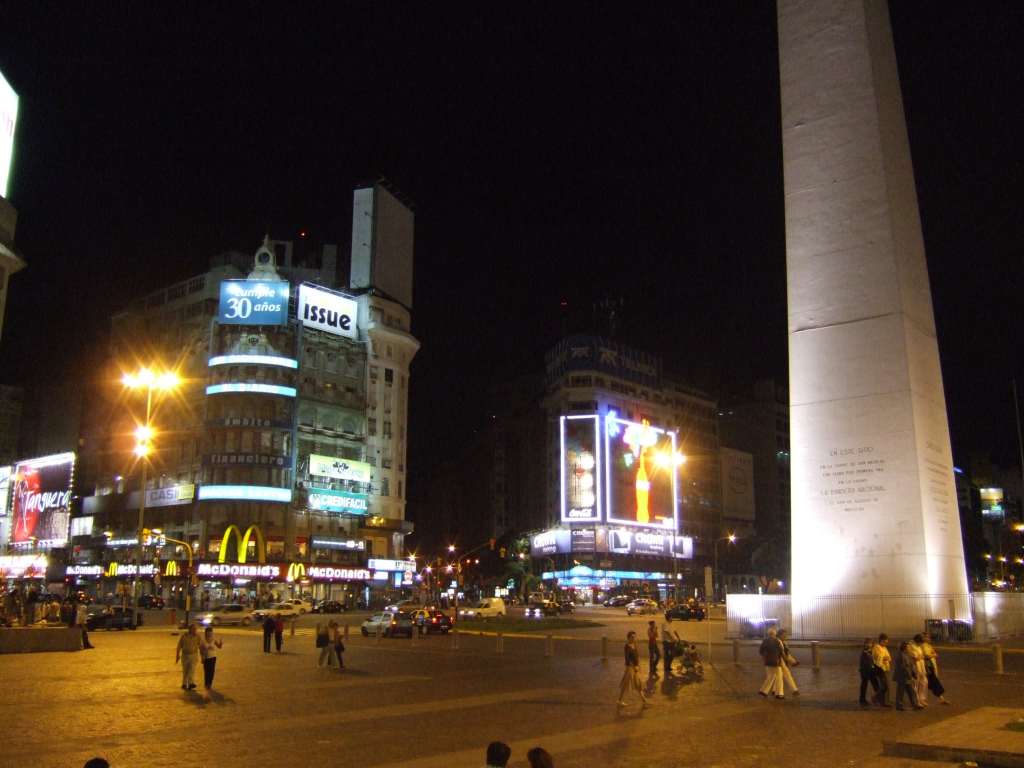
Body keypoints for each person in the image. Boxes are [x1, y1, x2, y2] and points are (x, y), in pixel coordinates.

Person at [617, 631, 650, 710]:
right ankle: (619, 701)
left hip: (635, 667)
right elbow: (627, 659)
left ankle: (644, 701)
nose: (634, 638)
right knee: (626, 684)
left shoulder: (634, 644)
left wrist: (638, 665)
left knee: (638, 684)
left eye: (634, 637)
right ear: (628, 638)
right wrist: (634, 666)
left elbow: (636, 656)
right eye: (632, 637)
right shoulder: (627, 646)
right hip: (630, 668)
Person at [919, 632, 949, 705]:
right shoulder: (923, 646)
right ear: (924, 638)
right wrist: (933, 655)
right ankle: (921, 700)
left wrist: (933, 654)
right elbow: (927, 655)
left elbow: (933, 653)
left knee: (932, 682)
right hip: (927, 667)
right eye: (927, 637)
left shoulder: (929, 646)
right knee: (926, 683)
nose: (929, 638)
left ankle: (941, 698)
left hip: (930, 666)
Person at [893, 641, 923, 710]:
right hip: (902, 676)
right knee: (901, 691)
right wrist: (910, 676)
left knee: (910, 690)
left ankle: (914, 704)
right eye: (908, 647)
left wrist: (913, 674)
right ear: (905, 648)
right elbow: (904, 667)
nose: (910, 649)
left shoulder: (907, 655)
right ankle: (899, 705)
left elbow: (911, 665)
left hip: (906, 676)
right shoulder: (901, 655)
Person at [758, 627, 784, 699]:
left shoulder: (765, 641)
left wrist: (764, 657)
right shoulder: (777, 641)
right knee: (779, 677)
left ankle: (763, 691)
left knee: (770, 676)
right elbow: (781, 651)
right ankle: (779, 693)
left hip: (767, 661)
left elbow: (760, 651)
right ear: (775, 634)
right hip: (776, 662)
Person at [175, 623, 201, 691]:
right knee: (185, 670)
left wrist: (203, 655)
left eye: (195, 629)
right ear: (190, 629)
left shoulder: (198, 636)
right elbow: (179, 646)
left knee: (192, 670)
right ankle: (184, 683)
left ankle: (191, 683)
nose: (195, 630)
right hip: (185, 655)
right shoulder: (184, 636)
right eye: (194, 629)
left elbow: (201, 646)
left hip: (194, 655)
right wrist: (177, 655)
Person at [907, 634, 928, 707]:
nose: (921, 644)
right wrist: (920, 657)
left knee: (924, 682)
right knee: (915, 684)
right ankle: (917, 701)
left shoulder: (919, 646)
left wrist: (920, 657)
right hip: (915, 668)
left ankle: (922, 699)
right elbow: (915, 657)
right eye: (920, 642)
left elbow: (922, 656)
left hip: (921, 668)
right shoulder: (910, 646)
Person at [777, 628, 800, 696]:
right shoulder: (778, 642)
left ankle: (793, 690)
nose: (785, 636)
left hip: (781, 660)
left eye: (786, 635)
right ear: (780, 635)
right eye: (784, 635)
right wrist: (790, 661)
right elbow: (783, 653)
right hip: (780, 660)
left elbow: (787, 653)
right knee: (782, 676)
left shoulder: (783, 642)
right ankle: (792, 690)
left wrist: (792, 661)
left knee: (777, 676)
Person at [871, 633, 892, 707]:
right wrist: (884, 657)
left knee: (887, 686)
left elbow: (889, 657)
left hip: (886, 668)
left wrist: (885, 658)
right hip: (880, 669)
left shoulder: (884, 648)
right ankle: (876, 698)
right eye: (885, 642)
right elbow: (878, 658)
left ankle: (885, 701)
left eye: (887, 642)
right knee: (884, 686)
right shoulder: (876, 647)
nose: (886, 643)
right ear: (881, 640)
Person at [200, 626, 223, 691]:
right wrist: (202, 657)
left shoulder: (213, 639)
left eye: (211, 633)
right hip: (206, 657)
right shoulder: (203, 641)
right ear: (206, 633)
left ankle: (210, 684)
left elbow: (219, 647)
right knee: (206, 671)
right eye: (208, 633)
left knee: (212, 671)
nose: (210, 634)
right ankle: (206, 683)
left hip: (213, 657)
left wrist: (221, 643)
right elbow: (201, 650)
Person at [858, 637, 879, 706]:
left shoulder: (871, 651)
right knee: (864, 685)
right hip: (865, 671)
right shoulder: (864, 652)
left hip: (871, 671)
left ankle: (876, 698)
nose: (868, 644)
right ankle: (862, 699)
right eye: (867, 643)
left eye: (869, 643)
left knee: (876, 685)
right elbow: (863, 663)